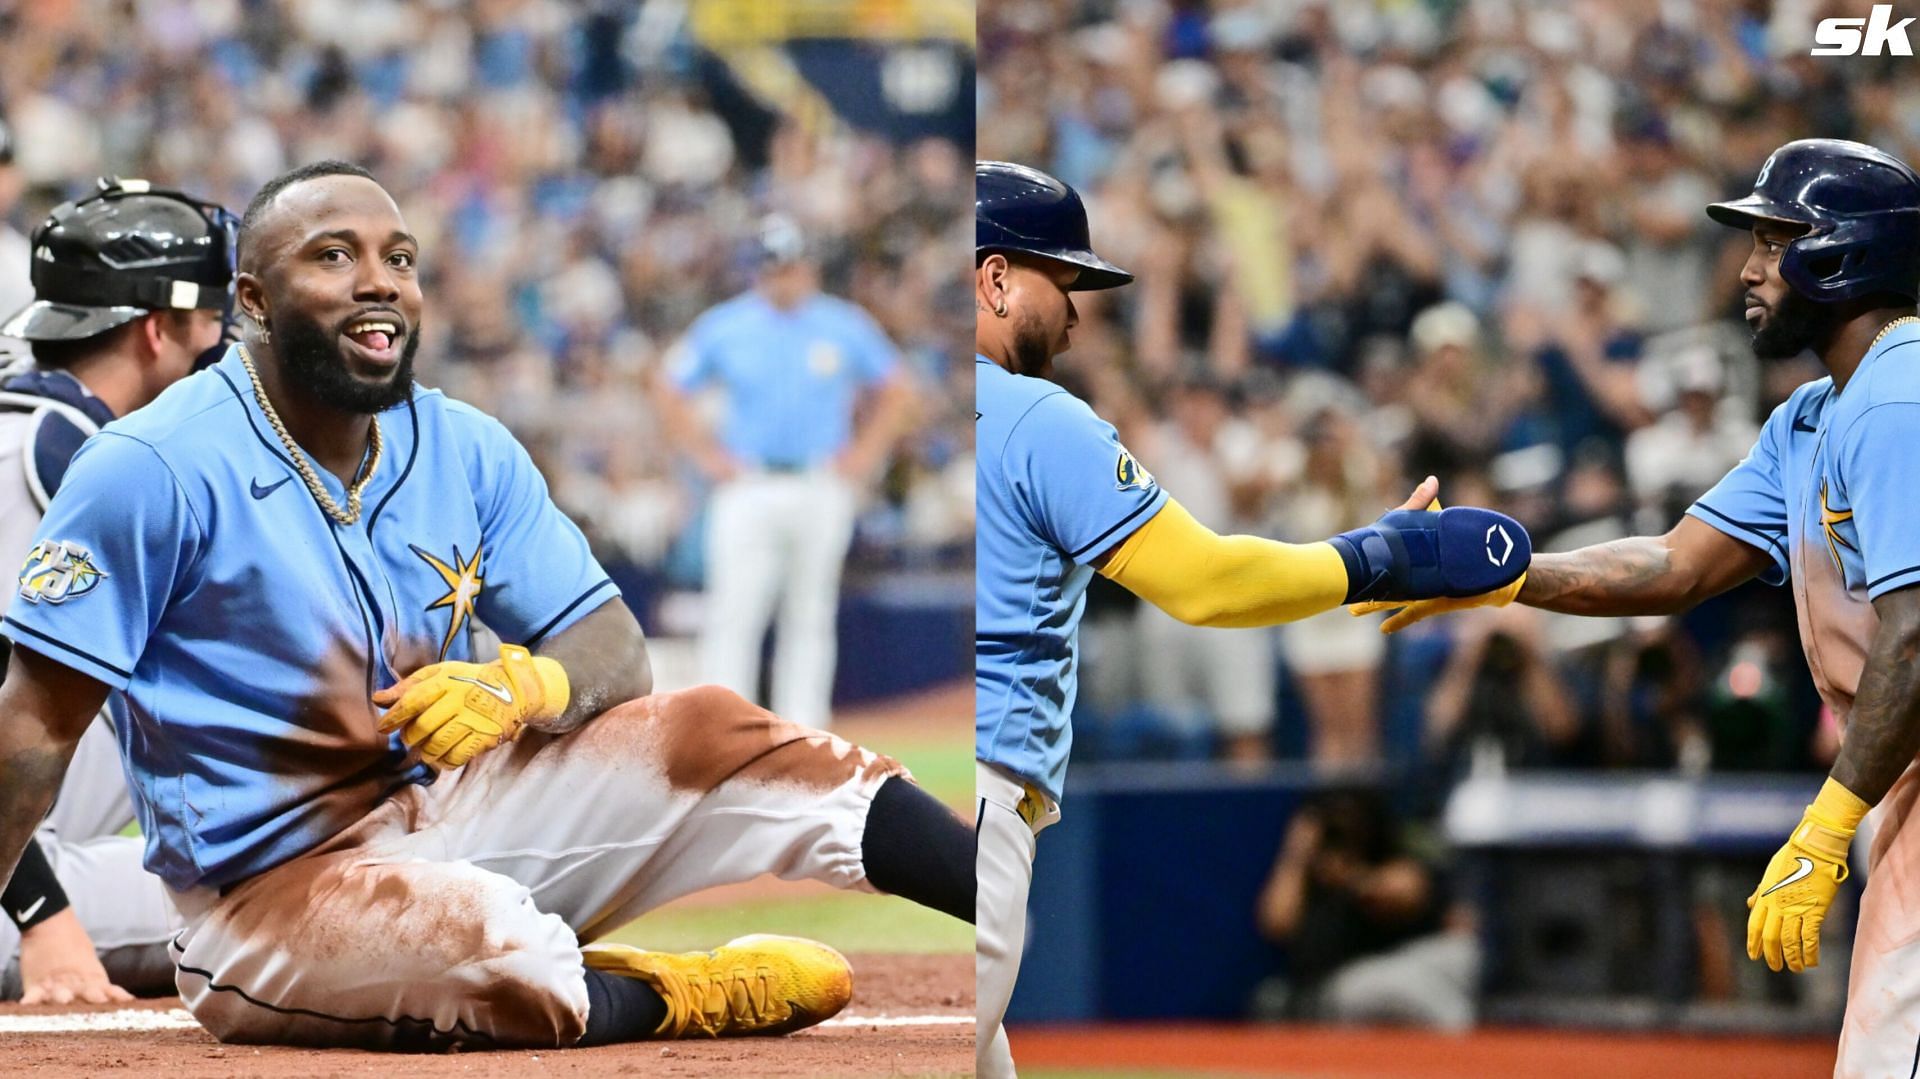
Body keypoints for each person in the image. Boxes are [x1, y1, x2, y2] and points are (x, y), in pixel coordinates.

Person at [0, 161, 973, 1050]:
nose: (378, 279)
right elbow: (35, 726)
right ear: (251, 299)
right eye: (333, 255)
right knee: (495, 949)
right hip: (266, 894)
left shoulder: (464, 444)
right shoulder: (153, 463)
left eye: (400, 257)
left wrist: (530, 682)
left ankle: (1005, 895)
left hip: (456, 805)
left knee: (722, 728)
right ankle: (676, 994)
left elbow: (614, 646)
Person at [1356, 138, 1920, 1076]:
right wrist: (1501, 573)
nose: (1748, 268)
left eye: (1775, 243)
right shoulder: (1819, 411)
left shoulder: (1899, 395)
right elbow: (1675, 562)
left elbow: (1915, 637)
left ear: (1841, 251)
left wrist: (1823, 824)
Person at [973, 160, 1531, 1079]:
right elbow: (1209, 583)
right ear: (994, 278)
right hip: (987, 791)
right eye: (1060, 282)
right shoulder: (1035, 415)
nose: (1075, 315)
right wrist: (1383, 558)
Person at [0, 178, 235, 1004]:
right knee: (309, 897)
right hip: (23, 888)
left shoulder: (53, 435)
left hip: (35, 866)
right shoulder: (36, 451)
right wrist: (42, 913)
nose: (222, 342)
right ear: (155, 332)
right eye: (210, 319)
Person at [655, 214, 916, 730]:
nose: (785, 278)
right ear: (758, 270)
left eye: (793, 266)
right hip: (748, 482)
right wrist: (706, 456)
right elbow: (667, 385)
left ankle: (806, 731)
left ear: (810, 268)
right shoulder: (727, 324)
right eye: (774, 268)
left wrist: (864, 452)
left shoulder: (842, 324)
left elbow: (898, 387)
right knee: (734, 611)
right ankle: (725, 732)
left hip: (820, 480)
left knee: (811, 614)